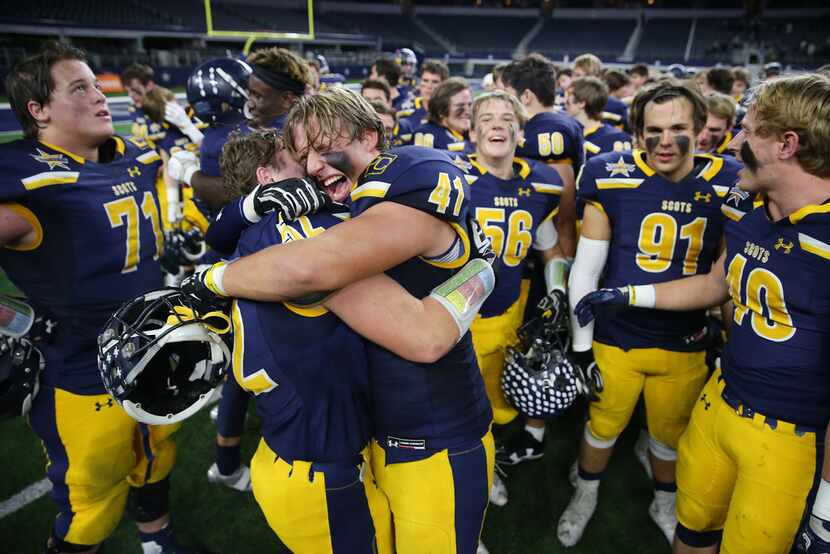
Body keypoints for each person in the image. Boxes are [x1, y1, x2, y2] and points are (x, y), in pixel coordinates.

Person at [181, 87, 496, 554]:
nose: (311, 168)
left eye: (321, 148)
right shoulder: (336, 212)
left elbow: (422, 336)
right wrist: (480, 273)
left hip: (435, 432)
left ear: (370, 139)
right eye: (302, 156)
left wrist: (211, 278)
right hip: (383, 434)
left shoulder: (407, 181)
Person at [574, 73, 830, 554]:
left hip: (790, 430)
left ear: (788, 144)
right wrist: (627, 294)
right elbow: (717, 283)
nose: (731, 141)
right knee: (692, 530)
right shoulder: (754, 208)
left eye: (748, 131)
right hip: (721, 399)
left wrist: (829, 507)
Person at [1, 42, 192, 554]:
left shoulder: (129, 155)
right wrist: (8, 320)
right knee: (92, 497)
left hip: (150, 346)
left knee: (155, 454)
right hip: (81, 368)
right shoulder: (33, 182)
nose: (100, 95)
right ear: (38, 110)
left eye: (96, 83)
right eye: (79, 88)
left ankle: (157, 541)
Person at [557, 81, 741, 547]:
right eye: (653, 129)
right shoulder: (609, 173)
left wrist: (732, 340)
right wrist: (581, 346)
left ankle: (664, 498)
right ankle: (586, 491)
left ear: (701, 130)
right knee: (602, 426)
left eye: (677, 127)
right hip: (617, 336)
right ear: (637, 132)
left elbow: (727, 274)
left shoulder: (731, 180)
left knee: (668, 433)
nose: (664, 140)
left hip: (686, 339)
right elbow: (587, 267)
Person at [461, 90, 568, 485]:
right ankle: (480, 475)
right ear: (472, 133)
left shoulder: (541, 184)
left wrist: (557, 290)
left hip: (508, 309)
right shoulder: (452, 177)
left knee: (497, 397)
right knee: (463, 404)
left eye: (507, 118)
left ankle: (487, 464)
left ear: (520, 133)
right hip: (456, 316)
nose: (497, 124)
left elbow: (550, 248)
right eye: (486, 118)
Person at [167, 48, 312, 211]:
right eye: (249, 93)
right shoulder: (282, 121)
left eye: (258, 96)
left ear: (286, 99)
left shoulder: (286, 136)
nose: (249, 103)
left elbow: (236, 195)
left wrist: (189, 174)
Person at [564, 77, 632, 161]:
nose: (565, 106)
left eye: (568, 102)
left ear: (581, 103)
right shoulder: (568, 132)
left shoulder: (617, 139)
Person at [412, 77, 474, 153]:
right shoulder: (427, 135)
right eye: (460, 106)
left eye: (470, 105)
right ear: (441, 110)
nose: (468, 111)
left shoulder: (473, 134)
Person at [398, 60, 449, 129]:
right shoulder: (404, 108)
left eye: (435, 82)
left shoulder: (450, 111)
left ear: (444, 85)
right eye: (425, 80)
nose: (429, 86)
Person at [121, 63, 157, 140]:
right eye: (128, 91)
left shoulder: (167, 108)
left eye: (135, 90)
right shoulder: (133, 108)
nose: (130, 95)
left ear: (149, 85)